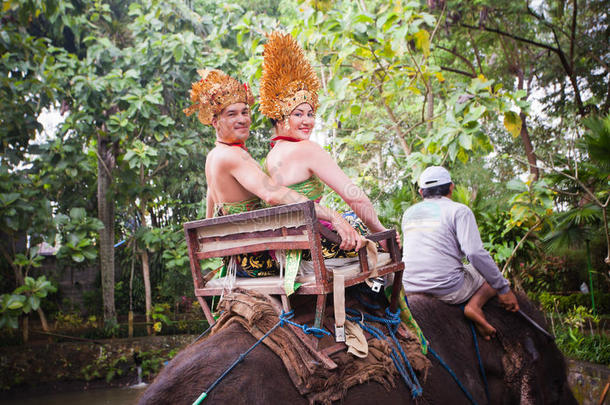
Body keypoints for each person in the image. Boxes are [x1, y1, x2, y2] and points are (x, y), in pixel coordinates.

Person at [183, 69, 363, 277]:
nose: (242, 119)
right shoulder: (232, 156)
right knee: (354, 223)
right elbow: (272, 193)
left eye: (244, 112)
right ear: (215, 122)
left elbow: (209, 213)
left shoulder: (215, 155)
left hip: (241, 257)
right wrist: (333, 216)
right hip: (257, 258)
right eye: (232, 114)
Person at [260, 32, 392, 258]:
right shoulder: (307, 150)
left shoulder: (270, 157)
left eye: (310, 113)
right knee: (370, 236)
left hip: (282, 249)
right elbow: (353, 195)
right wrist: (380, 231)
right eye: (298, 114)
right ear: (281, 118)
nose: (308, 121)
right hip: (311, 246)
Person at [401, 166, 519, 339]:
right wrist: (503, 288)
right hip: (447, 288)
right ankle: (474, 306)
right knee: (488, 273)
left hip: (410, 285)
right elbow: (474, 253)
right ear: (451, 187)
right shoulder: (459, 210)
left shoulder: (409, 213)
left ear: (421, 192)